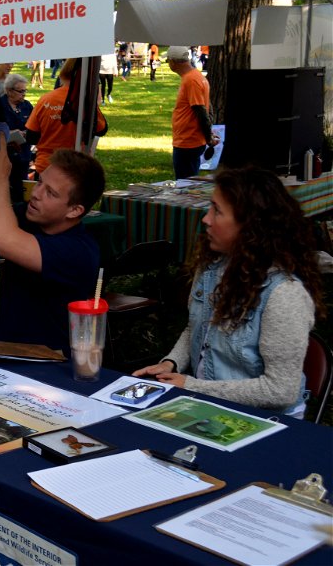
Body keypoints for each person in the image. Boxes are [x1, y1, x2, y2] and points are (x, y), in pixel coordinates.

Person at [134, 168, 324, 417]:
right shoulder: (212, 268)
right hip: (208, 404)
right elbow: (196, 328)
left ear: (250, 226)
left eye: (217, 211)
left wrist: (191, 385)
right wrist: (170, 363)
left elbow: (281, 391)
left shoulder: (284, 295)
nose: (206, 219)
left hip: (266, 421)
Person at [0, 138, 106, 353]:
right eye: (39, 182)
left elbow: (0, 238)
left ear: (74, 210)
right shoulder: (28, 217)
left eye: (51, 192)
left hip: (46, 364)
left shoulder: (79, 252)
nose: (36, 194)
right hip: (2, 351)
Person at [25, 58, 108, 175]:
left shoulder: (45, 99)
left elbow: (31, 136)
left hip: (45, 166)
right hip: (73, 167)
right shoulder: (84, 102)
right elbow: (101, 129)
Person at [167, 45, 215, 179]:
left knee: (185, 185)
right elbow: (208, 107)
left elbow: (201, 111)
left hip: (187, 142)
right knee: (189, 182)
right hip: (190, 140)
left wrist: (208, 138)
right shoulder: (196, 77)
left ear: (173, 62)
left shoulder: (191, 80)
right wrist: (208, 134)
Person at [2, 73, 34, 179]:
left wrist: (26, 133)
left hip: (23, 157)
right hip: (5, 158)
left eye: (25, 90)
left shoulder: (27, 106)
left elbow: (35, 127)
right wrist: (9, 134)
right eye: (21, 91)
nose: (24, 94)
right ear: (9, 91)